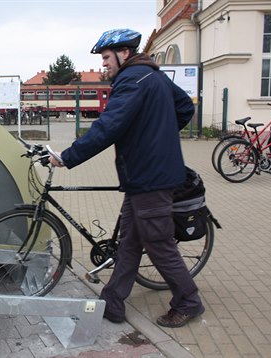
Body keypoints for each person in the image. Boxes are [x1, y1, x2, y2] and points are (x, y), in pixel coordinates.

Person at [49, 28, 205, 328]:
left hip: (151, 178)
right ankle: (114, 302)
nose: (104, 64)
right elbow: (184, 107)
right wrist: (158, 133)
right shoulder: (153, 75)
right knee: (130, 243)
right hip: (144, 178)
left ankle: (189, 301)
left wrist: (67, 156)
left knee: (159, 245)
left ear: (124, 54)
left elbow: (108, 127)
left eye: (107, 57)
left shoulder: (133, 81)